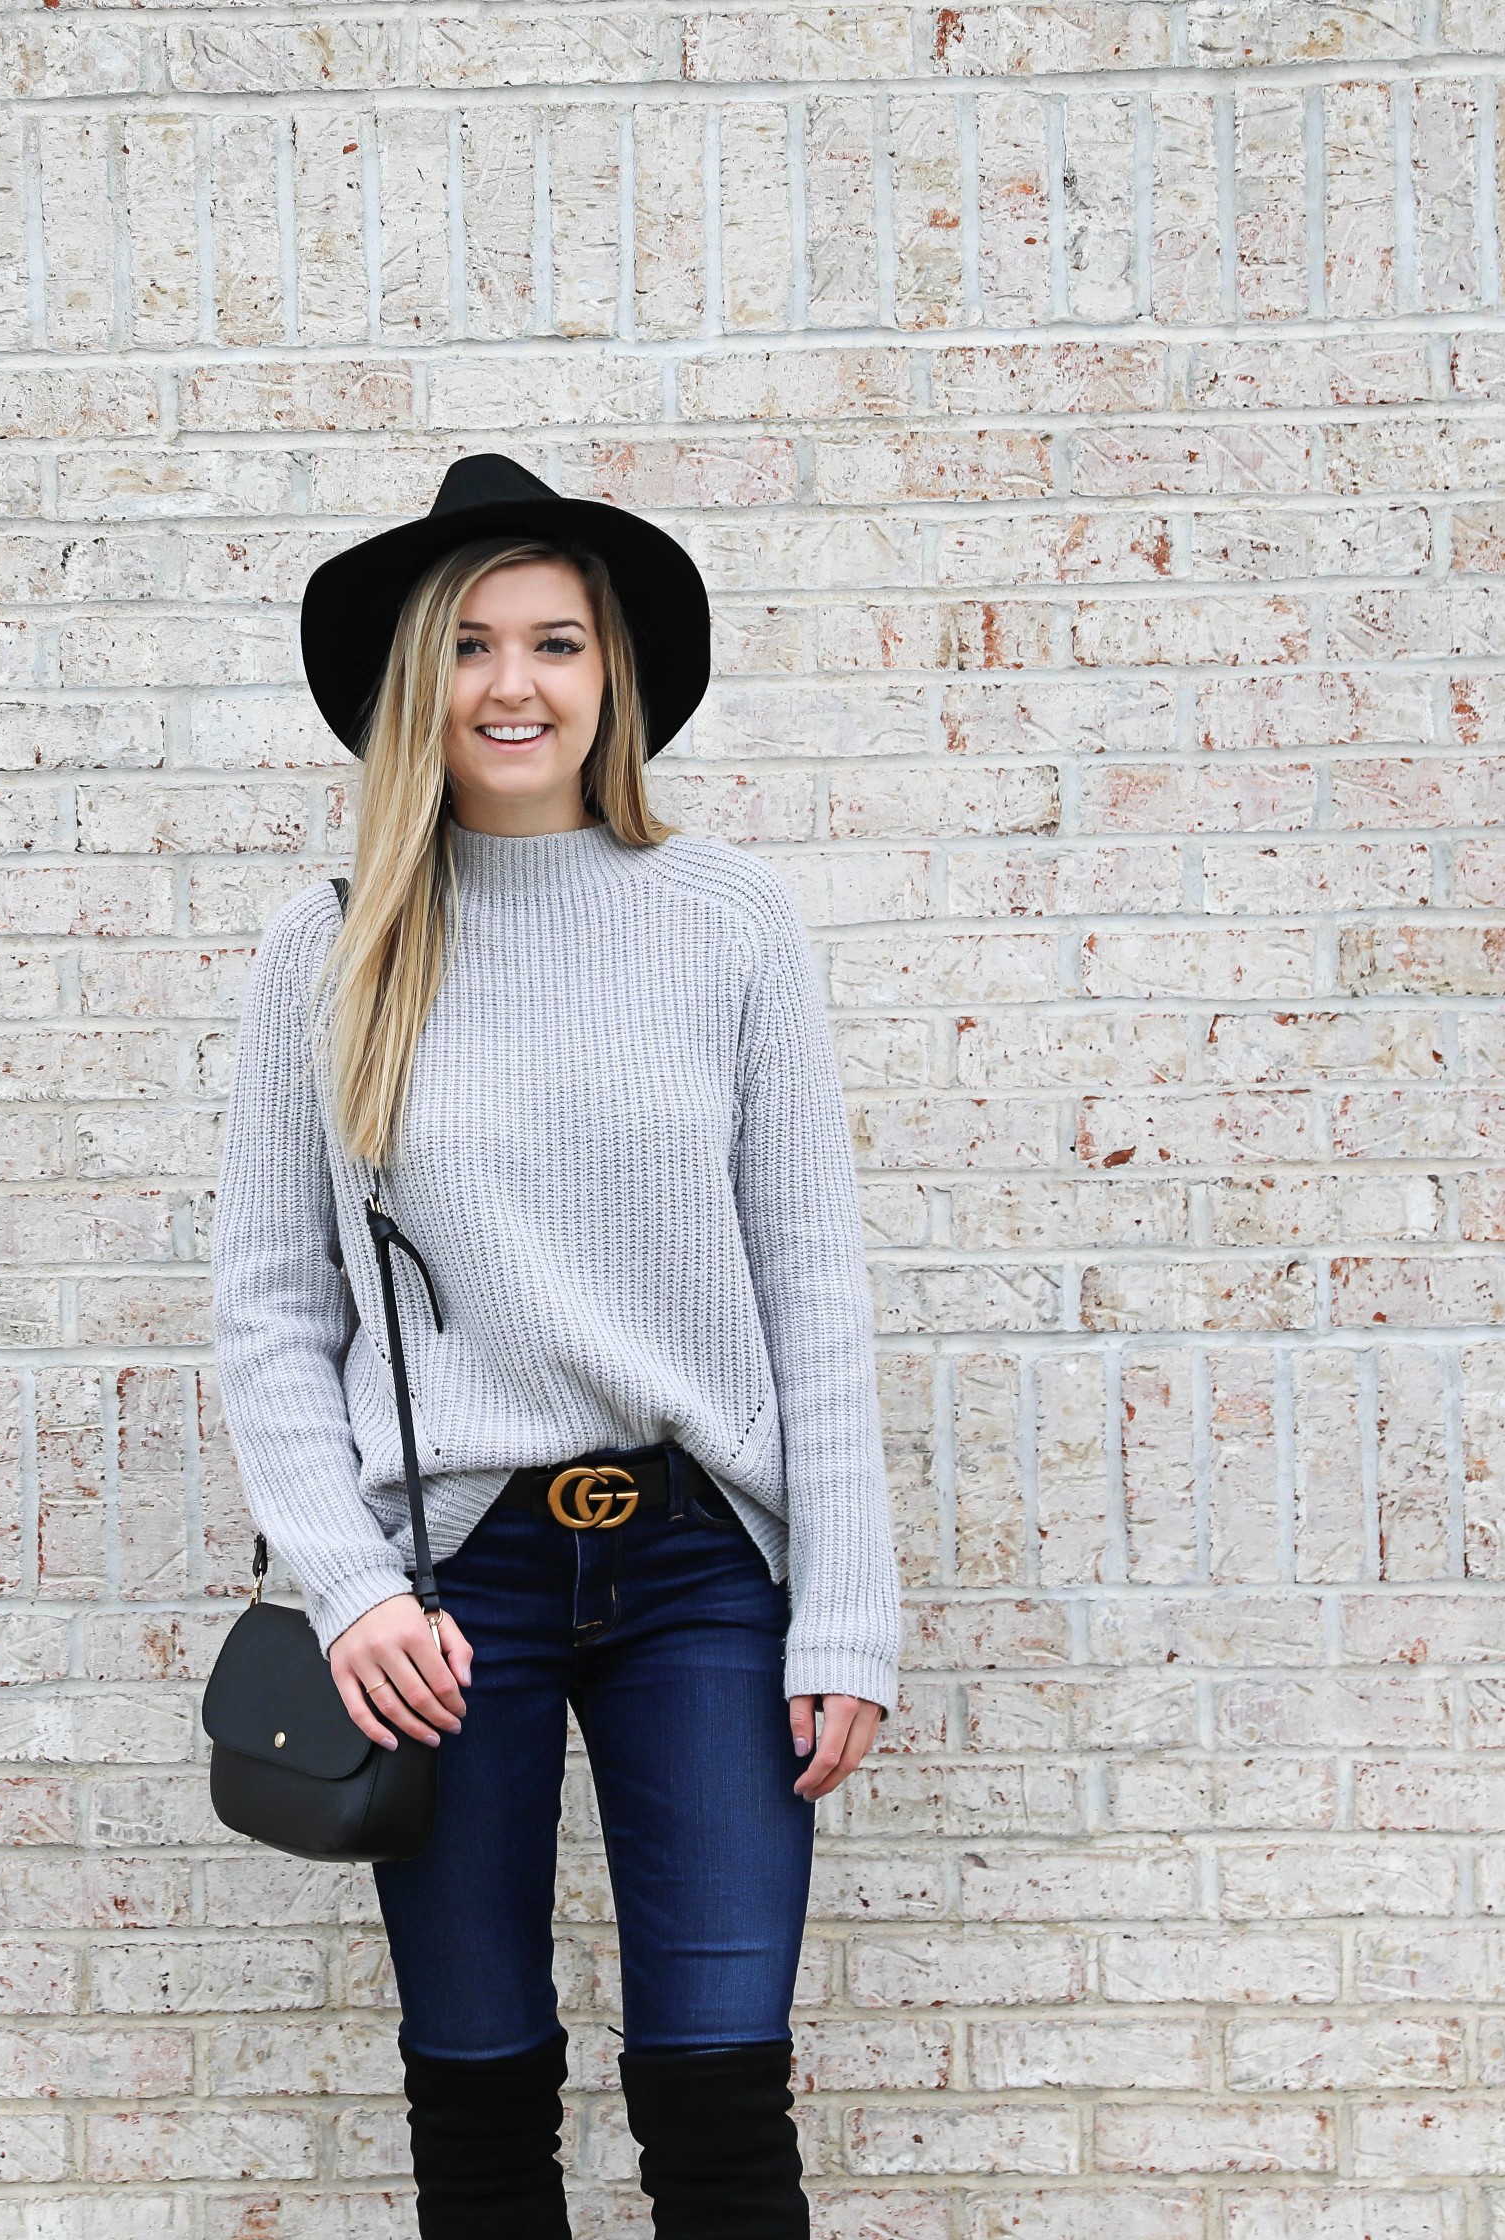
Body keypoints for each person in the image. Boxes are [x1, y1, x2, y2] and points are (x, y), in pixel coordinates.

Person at [207, 452, 902, 2239]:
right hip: (449, 1593)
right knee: (482, 2096)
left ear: (616, 679)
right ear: (413, 684)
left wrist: (849, 1613)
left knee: (722, 2096)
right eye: (472, 647)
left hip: (700, 1570)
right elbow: (275, 1308)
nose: (515, 686)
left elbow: (812, 1292)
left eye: (558, 643)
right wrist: (350, 1589)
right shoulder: (330, 948)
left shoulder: (729, 922)